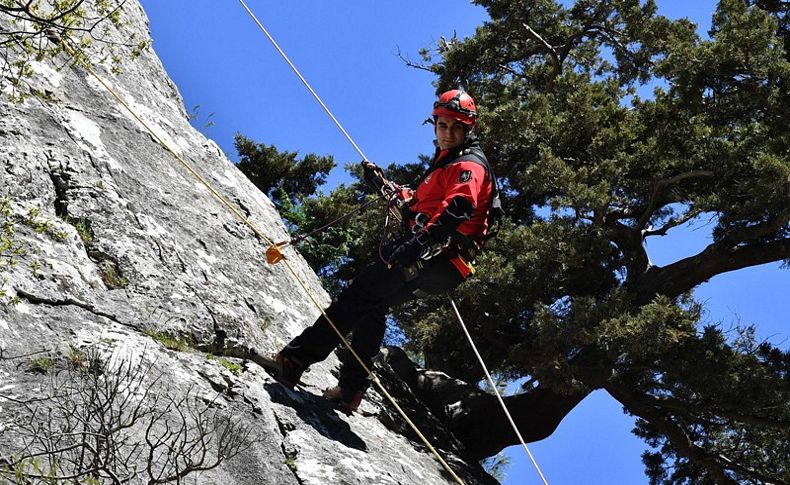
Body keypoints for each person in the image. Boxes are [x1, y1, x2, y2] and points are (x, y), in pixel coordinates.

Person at [262, 89, 497, 414]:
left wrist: (414, 248)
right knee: (373, 307)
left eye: (456, 127)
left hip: (431, 257)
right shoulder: (450, 162)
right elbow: (423, 203)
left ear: (469, 129)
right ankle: (351, 390)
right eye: (443, 126)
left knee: (355, 298)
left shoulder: (468, 165)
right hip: (440, 265)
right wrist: (384, 185)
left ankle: (293, 360)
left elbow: (457, 209)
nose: (448, 133)